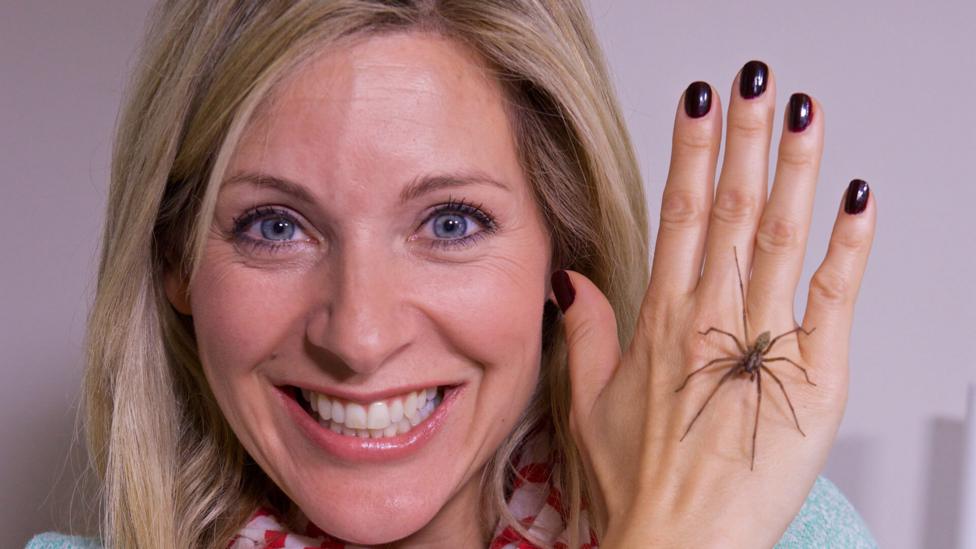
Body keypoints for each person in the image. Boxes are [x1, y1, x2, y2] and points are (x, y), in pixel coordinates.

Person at [28, 1, 878, 547]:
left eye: (450, 222)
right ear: (175, 260)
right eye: (275, 225)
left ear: (561, 249)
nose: (359, 337)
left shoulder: (764, 522)